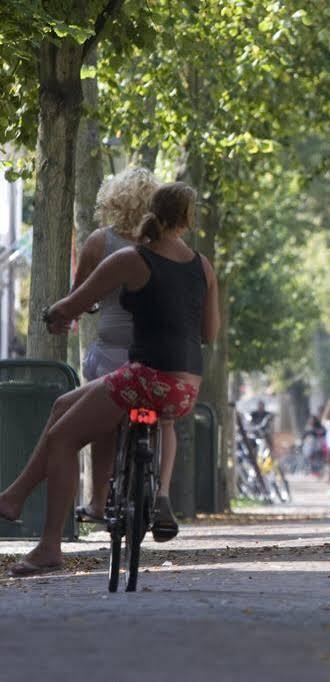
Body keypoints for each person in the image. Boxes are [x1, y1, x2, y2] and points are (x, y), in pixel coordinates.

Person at [0, 181, 219, 576]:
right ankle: (14, 496)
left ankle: (49, 546)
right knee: (64, 404)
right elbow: (210, 333)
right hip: (185, 390)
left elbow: (75, 303)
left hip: (143, 378)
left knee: (63, 439)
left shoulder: (133, 259)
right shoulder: (203, 266)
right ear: (187, 220)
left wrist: (54, 316)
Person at [71, 167, 181, 540]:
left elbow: (80, 296)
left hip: (111, 354)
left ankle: (99, 502)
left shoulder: (100, 242)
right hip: (158, 355)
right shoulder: (165, 245)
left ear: (112, 199)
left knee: (104, 421)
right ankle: (162, 494)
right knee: (165, 422)